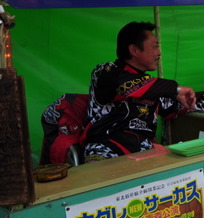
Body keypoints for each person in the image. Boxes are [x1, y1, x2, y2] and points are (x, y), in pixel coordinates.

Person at [83, 22, 196, 161]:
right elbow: (125, 86)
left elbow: (175, 107)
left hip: (143, 152)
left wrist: (194, 104)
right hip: (106, 149)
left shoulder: (153, 86)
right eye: (155, 47)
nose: (159, 53)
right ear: (134, 50)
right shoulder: (106, 71)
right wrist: (176, 89)